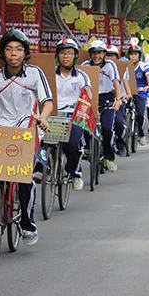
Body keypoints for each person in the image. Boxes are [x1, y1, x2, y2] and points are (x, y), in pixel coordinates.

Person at [0, 29, 53, 246]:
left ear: (25, 53)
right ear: (3, 53)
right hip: (2, 127)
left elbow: (47, 101)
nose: (13, 54)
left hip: (28, 126)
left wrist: (43, 118)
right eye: (9, 49)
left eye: (18, 49)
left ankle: (28, 224)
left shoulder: (35, 74)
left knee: (24, 178)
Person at [51, 38, 92, 190]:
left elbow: (88, 96)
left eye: (69, 53)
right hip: (53, 115)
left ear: (75, 56)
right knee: (42, 143)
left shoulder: (81, 76)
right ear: (57, 56)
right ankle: (42, 168)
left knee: (73, 144)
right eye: (62, 53)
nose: (65, 56)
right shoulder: (50, 75)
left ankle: (74, 172)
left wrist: (77, 114)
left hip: (74, 115)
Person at [82, 40, 122, 172]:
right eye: (93, 53)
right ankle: (87, 147)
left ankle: (108, 157)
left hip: (107, 99)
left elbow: (116, 82)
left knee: (107, 128)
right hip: (90, 99)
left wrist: (118, 99)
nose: (96, 56)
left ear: (104, 54)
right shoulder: (85, 65)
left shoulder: (110, 65)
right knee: (85, 126)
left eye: (99, 53)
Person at [106, 45, 131, 156]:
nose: (109, 57)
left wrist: (127, 95)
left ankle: (120, 143)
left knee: (119, 122)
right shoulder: (98, 67)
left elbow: (125, 84)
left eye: (112, 55)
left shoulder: (120, 69)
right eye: (107, 55)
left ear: (117, 57)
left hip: (118, 100)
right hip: (102, 101)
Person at [127, 45, 149, 145]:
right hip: (128, 93)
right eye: (131, 54)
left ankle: (141, 134)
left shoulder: (143, 65)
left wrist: (148, 85)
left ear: (139, 55)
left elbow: (148, 75)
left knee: (140, 115)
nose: (133, 56)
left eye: (135, 54)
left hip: (141, 93)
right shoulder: (126, 66)